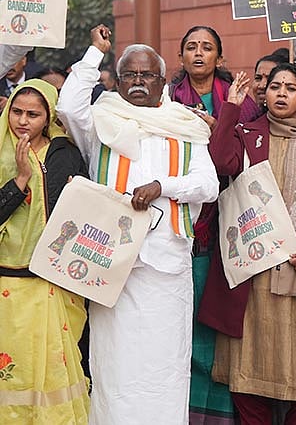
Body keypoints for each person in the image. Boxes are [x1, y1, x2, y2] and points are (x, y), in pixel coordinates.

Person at [57, 25, 220, 424]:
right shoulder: (102, 119)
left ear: (163, 81)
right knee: (115, 363)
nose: (138, 82)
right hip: (112, 267)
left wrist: (163, 185)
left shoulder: (185, 124)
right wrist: (95, 53)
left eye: (147, 75)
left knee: (165, 364)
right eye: (129, 74)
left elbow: (209, 185)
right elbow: (67, 106)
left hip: (167, 266)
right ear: (118, 78)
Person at [198, 65, 296, 425]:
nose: (281, 93)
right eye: (275, 86)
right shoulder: (245, 134)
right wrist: (230, 109)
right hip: (253, 277)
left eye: (291, 88)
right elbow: (219, 163)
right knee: (248, 375)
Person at [168, 25, 260, 424]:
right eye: (191, 47)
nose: (199, 54)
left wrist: (221, 125)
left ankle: (219, 413)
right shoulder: (167, 99)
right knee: (182, 324)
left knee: (219, 322)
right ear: (181, 56)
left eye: (207, 48)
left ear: (220, 58)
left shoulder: (242, 100)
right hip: (184, 225)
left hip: (231, 220)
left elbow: (254, 152)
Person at [0, 79, 90, 423]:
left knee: (52, 363)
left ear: (48, 116)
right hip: (9, 282)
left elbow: (84, 209)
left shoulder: (65, 153)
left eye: (33, 115)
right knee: (15, 365)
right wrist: (20, 178)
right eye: (17, 112)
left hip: (52, 278)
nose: (23, 121)